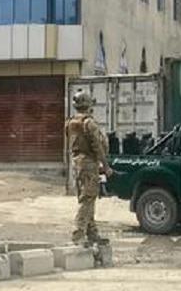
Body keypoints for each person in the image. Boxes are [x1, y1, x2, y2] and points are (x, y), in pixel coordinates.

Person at [66, 91, 112, 245]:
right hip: (88, 163)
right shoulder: (89, 123)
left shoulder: (71, 122)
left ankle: (92, 233)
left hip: (76, 162)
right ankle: (78, 234)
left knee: (87, 197)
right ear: (88, 104)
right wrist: (106, 166)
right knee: (88, 198)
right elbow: (98, 146)